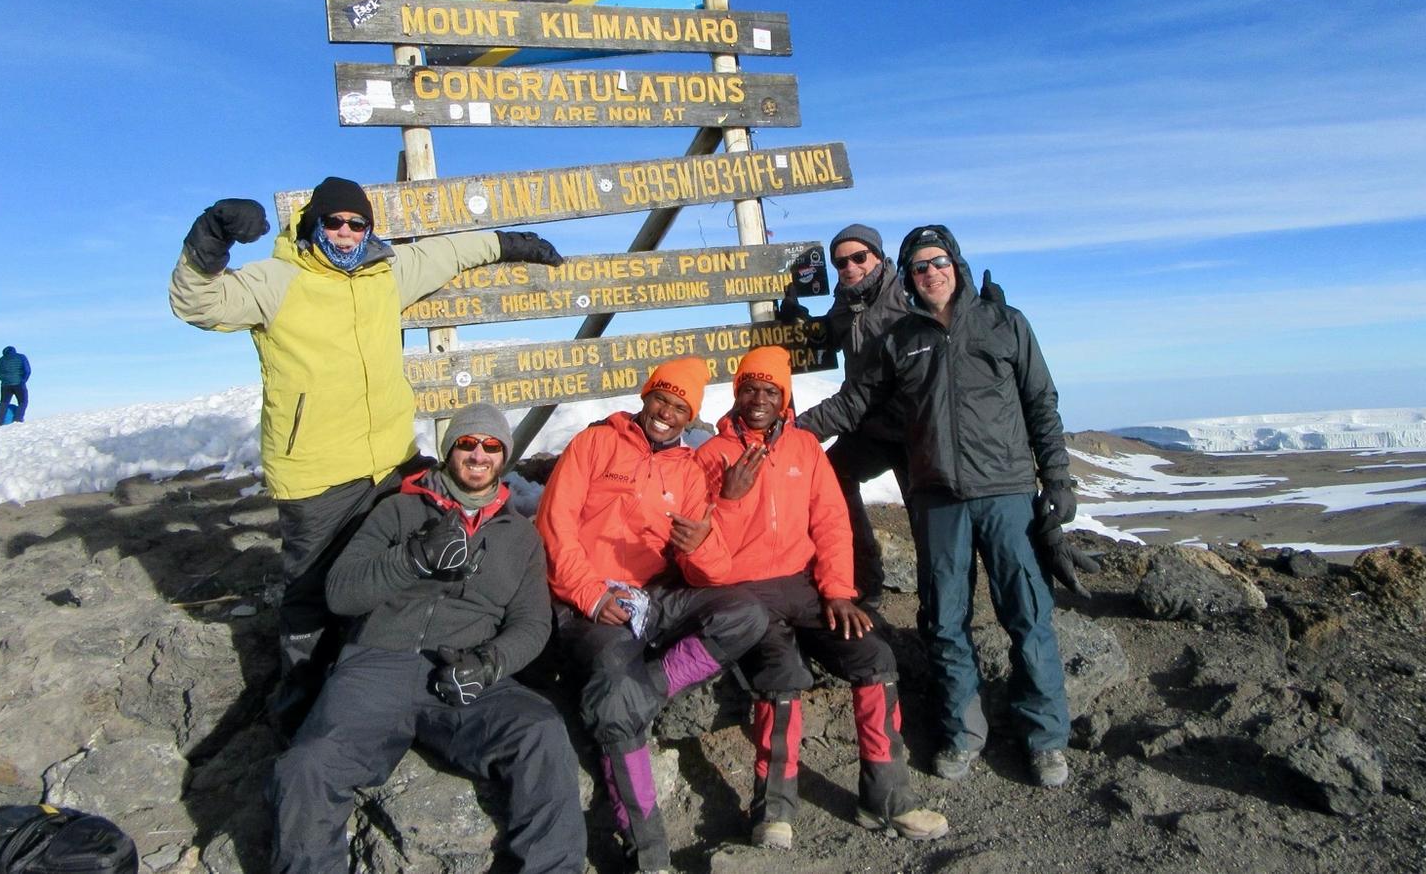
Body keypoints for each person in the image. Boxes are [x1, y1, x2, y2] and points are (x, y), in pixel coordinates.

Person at [168, 176, 563, 727]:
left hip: (389, 463)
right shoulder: (278, 280)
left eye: (357, 223)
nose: (347, 233)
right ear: (314, 225)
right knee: (310, 594)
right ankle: (299, 706)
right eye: (334, 222)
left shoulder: (385, 274)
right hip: (316, 473)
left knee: (379, 574)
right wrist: (211, 235)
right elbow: (196, 301)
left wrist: (509, 243)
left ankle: (367, 686)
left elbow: (446, 252)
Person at [796, 224, 1078, 789]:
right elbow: (855, 403)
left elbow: (1040, 403)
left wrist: (1059, 479)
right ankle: (961, 732)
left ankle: (1044, 738)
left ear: (956, 263)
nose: (930, 273)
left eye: (937, 262)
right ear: (909, 274)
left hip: (1006, 493)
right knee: (945, 621)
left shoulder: (1005, 323)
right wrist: (789, 433)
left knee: (1027, 616)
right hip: (936, 496)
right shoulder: (900, 337)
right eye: (920, 266)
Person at [270, 403, 585, 874]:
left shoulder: (520, 537)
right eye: (467, 443)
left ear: (505, 457)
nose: (479, 454)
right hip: (378, 666)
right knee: (308, 766)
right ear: (449, 449)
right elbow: (340, 593)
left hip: (465, 673)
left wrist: (489, 664)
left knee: (540, 731)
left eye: (492, 446)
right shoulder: (397, 509)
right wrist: (413, 558)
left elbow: (533, 624)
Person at [690, 347, 949, 850]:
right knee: (780, 672)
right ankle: (774, 811)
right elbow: (697, 540)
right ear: (736, 393)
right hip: (742, 592)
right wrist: (728, 497)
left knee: (873, 654)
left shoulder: (805, 449)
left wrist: (837, 590)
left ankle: (887, 800)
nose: (759, 399)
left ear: (784, 397)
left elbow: (830, 522)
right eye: (750, 389)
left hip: (806, 587)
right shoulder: (710, 456)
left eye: (771, 390)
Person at [535, 358, 768, 874]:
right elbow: (555, 527)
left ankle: (650, 688)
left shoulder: (687, 472)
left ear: (691, 417)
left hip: (656, 598)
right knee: (614, 699)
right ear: (645, 398)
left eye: (680, 407)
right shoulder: (595, 444)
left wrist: (702, 546)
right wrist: (590, 594)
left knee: (748, 614)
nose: (667, 412)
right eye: (661, 399)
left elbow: (713, 571)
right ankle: (651, 853)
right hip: (591, 603)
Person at [779, 225, 910, 600]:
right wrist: (804, 323)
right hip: (874, 427)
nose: (849, 267)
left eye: (858, 258)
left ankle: (940, 617)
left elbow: (862, 394)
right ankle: (865, 580)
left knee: (929, 522)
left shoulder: (899, 305)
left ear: (879, 258)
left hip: (912, 431)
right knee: (834, 475)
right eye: (840, 262)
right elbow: (835, 334)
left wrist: (798, 430)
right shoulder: (849, 297)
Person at [0, 346, 31, 424]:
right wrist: (23, 380)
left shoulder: (0, 360)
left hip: (5, 385)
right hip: (19, 383)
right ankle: (17, 420)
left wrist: (5, 380)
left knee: (4, 403)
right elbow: (27, 370)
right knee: (23, 402)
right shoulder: (21, 357)